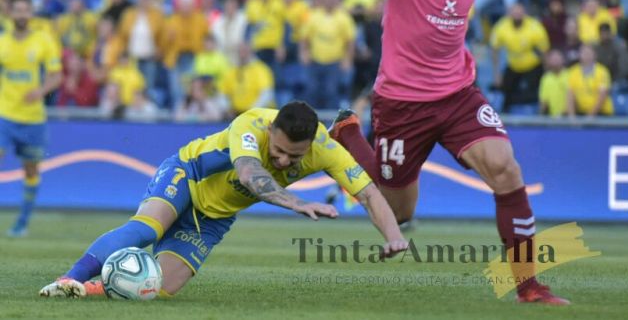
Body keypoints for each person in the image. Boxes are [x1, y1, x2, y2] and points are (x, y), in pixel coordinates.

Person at [323, 0, 567, 305]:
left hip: (457, 94)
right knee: (398, 212)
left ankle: (528, 286)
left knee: (506, 170)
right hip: (401, 101)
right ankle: (349, 136)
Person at [39, 102, 408, 298]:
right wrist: (296, 203)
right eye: (278, 150)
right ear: (271, 130)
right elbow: (249, 173)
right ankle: (68, 279)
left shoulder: (327, 151)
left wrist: (393, 237)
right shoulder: (251, 123)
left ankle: (86, 291)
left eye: (293, 157)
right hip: (187, 175)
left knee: (159, 289)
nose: (282, 161)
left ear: (311, 144)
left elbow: (369, 194)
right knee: (147, 229)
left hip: (214, 217)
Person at [0, 0, 63, 237]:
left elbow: (56, 76)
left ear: (31, 14)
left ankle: (22, 222)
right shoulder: (3, 42)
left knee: (30, 170)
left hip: (33, 118)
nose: (21, 14)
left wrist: (41, 91)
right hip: (5, 114)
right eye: (17, 10)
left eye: (25, 10)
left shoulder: (43, 40)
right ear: (11, 13)